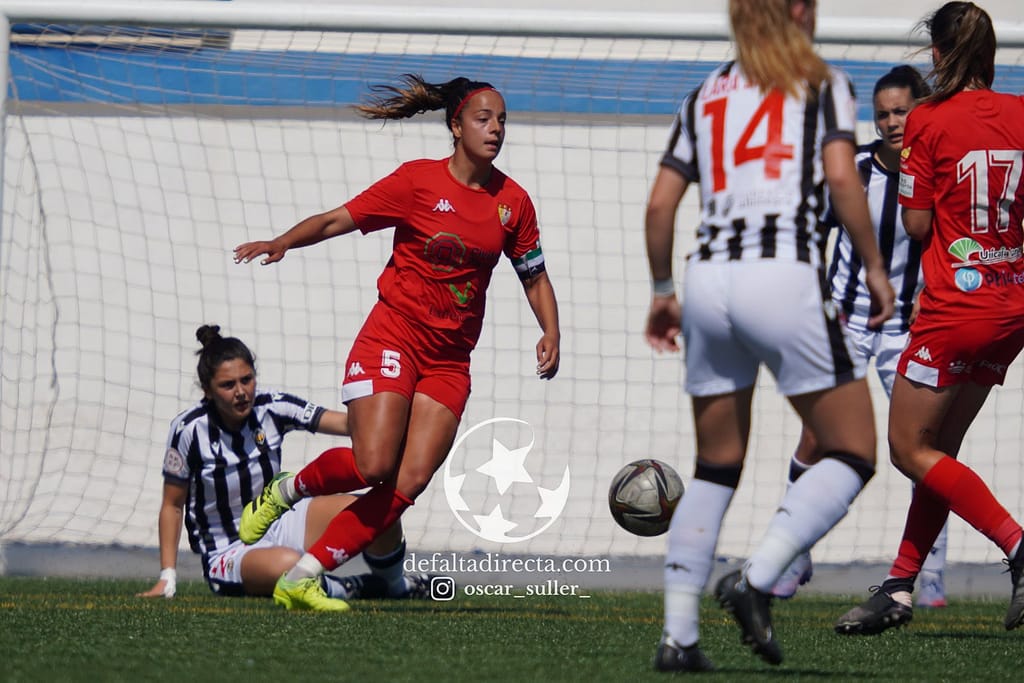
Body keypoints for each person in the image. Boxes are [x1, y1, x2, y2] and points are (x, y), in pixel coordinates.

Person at [232, 75, 561, 611]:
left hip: (450, 360)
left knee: (408, 482)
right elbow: (339, 217)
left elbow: (534, 275)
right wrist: (283, 242)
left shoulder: (514, 203)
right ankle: (286, 491)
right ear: (455, 126)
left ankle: (306, 574)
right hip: (394, 336)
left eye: (502, 120)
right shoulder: (417, 183)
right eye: (483, 118)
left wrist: (551, 328)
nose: (495, 129)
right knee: (374, 464)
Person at [644, 0, 895, 670]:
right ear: (793, 11)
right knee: (855, 450)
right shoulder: (819, 80)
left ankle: (678, 636)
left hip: (708, 281)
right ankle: (756, 580)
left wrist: (662, 291)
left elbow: (661, 203)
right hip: (783, 275)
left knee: (716, 463)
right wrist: (874, 267)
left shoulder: (704, 95)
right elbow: (843, 177)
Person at [835, 1, 1024, 635]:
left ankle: (1019, 546)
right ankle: (900, 585)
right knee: (939, 452)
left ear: (937, 56)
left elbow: (916, 224)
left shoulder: (928, 120)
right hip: (1011, 304)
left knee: (907, 448)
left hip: (955, 307)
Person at [773, 65, 951, 609]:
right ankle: (793, 555)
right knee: (816, 439)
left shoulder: (940, 172)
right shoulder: (851, 169)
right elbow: (808, 232)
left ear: (922, 110)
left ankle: (931, 574)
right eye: (884, 114)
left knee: (921, 451)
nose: (894, 122)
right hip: (847, 322)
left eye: (903, 111)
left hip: (910, 330)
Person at [138, 324, 428, 605]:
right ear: (207, 390)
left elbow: (348, 424)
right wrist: (167, 576)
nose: (241, 391)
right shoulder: (188, 430)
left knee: (381, 510)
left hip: (281, 521)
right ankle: (352, 588)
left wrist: (393, 406)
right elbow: (173, 505)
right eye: (227, 385)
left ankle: (396, 586)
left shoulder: (272, 407)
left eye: (246, 379)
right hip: (228, 549)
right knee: (289, 566)